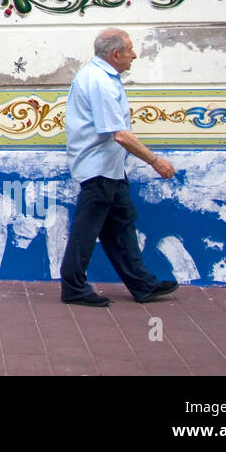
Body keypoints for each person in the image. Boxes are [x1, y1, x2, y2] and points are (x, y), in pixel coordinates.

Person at [60, 28, 178, 307]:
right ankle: (73, 287)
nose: (134, 55)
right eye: (130, 50)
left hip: (109, 167)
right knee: (86, 230)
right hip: (97, 168)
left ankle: (143, 285)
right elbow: (120, 134)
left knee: (120, 227)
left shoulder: (100, 76)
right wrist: (155, 161)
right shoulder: (99, 81)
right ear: (115, 54)